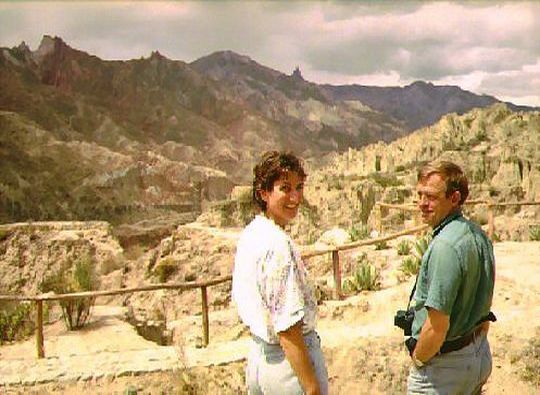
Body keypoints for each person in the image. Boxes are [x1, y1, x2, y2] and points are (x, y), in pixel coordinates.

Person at [232, 151, 328, 395]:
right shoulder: (277, 245)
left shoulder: (252, 233)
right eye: (285, 188)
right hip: (287, 368)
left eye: (299, 187)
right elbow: (286, 326)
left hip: (260, 357)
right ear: (264, 193)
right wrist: (311, 386)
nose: (295, 197)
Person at [405, 161, 496, 394]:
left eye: (431, 197)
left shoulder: (445, 247)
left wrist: (419, 360)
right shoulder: (478, 234)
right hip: (476, 354)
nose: (422, 204)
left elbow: (437, 327)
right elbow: (484, 304)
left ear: (454, 198)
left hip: (444, 369)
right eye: (420, 195)